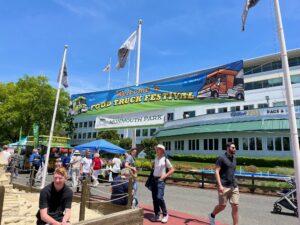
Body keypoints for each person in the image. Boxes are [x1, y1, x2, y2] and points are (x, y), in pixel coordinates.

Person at [208, 142, 239, 225]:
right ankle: (212, 215)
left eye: (235, 148)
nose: (234, 149)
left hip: (233, 186)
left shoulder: (234, 159)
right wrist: (220, 185)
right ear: (228, 148)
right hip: (224, 186)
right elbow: (216, 171)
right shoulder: (221, 158)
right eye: (233, 148)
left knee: (235, 206)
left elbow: (232, 172)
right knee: (222, 206)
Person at [151, 144, 175, 223]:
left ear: (162, 151)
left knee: (159, 197)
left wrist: (164, 176)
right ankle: (157, 214)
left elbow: (172, 169)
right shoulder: (155, 158)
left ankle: (165, 214)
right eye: (157, 149)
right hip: (154, 180)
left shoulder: (165, 159)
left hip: (161, 180)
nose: (157, 150)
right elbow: (154, 168)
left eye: (159, 149)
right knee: (154, 199)